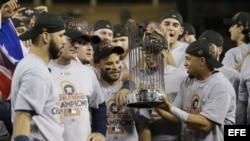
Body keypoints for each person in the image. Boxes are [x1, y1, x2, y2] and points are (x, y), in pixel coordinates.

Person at [154, 39, 236, 141]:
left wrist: (170, 108)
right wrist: (155, 105)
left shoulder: (220, 86)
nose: (184, 64)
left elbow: (205, 125)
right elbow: (175, 117)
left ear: (201, 61)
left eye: (188, 59)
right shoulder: (187, 81)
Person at [10, 12, 66, 141]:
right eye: (61, 35)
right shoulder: (36, 71)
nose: (64, 41)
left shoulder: (31, 63)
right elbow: (22, 118)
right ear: (45, 37)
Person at [48, 19, 107, 141]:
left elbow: (100, 104)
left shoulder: (87, 72)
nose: (76, 45)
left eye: (79, 42)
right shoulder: (44, 70)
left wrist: (100, 132)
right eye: (72, 41)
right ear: (60, 39)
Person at [93, 40, 139, 141]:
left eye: (117, 62)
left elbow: (144, 124)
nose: (115, 67)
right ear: (98, 66)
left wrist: (128, 86)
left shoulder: (131, 87)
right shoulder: (94, 89)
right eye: (109, 63)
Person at [199, 30, 240, 100]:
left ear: (220, 50)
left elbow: (240, 104)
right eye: (201, 45)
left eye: (209, 46)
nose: (204, 49)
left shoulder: (233, 76)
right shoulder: (193, 73)